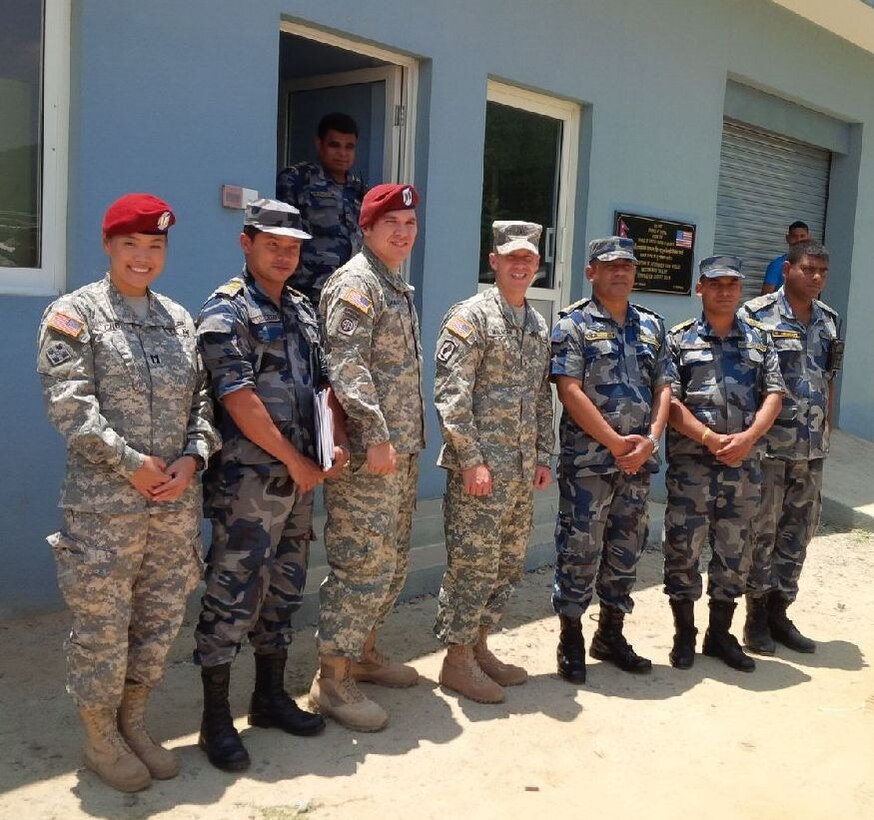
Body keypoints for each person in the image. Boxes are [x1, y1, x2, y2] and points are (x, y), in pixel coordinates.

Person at [37, 193, 220, 792]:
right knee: (103, 627)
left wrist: (194, 458)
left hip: (172, 506)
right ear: (109, 246)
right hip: (104, 510)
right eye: (131, 245)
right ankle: (99, 738)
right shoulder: (75, 315)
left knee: (159, 620)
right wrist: (131, 464)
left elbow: (202, 402)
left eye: (155, 246)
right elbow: (71, 407)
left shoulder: (177, 318)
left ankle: (132, 722)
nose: (143, 257)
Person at [193, 199, 348, 772]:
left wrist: (332, 441)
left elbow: (324, 386)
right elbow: (239, 401)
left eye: (293, 245)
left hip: (300, 477)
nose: (285, 254)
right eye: (273, 243)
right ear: (246, 243)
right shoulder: (224, 312)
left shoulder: (303, 310)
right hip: (248, 483)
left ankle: (269, 697)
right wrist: (296, 460)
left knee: (284, 590)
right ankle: (214, 721)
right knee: (233, 594)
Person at [311, 183, 425, 732]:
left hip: (399, 452)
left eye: (409, 224)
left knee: (390, 560)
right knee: (361, 562)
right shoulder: (357, 283)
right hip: (369, 455)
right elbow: (346, 365)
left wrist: (400, 442)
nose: (402, 233)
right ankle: (331, 679)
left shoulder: (394, 285)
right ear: (367, 229)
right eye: (391, 224)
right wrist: (376, 434)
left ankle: (363, 652)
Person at [432, 221, 554, 703]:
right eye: (512, 257)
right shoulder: (471, 318)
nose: (521, 265)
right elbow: (451, 396)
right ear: (494, 262)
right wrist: (470, 459)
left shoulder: (537, 324)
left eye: (528, 258)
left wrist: (544, 454)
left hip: (521, 470)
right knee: (472, 564)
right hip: (480, 471)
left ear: (537, 265)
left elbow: (542, 398)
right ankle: (456, 659)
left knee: (506, 563)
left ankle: (480, 647)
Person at [549, 237, 672, 684]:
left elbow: (664, 388)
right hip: (590, 463)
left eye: (628, 266)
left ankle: (611, 634)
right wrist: (616, 442)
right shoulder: (573, 325)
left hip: (638, 461)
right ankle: (572, 638)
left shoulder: (652, 327)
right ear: (591, 273)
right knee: (579, 549)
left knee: (626, 548)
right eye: (611, 265)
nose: (621, 273)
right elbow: (569, 390)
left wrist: (650, 440)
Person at [663, 256, 784, 672]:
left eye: (733, 284)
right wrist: (710, 438)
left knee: (735, 552)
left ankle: (720, 635)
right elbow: (670, 403)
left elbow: (774, 395)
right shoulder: (678, 340)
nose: (725, 291)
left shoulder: (759, 340)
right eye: (716, 284)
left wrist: (748, 439)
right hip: (693, 466)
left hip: (743, 467)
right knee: (683, 549)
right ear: (700, 288)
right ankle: (684, 634)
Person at [740, 240, 840, 655]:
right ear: (787, 270)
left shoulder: (829, 321)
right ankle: (756, 618)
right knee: (761, 533)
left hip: (811, 450)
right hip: (767, 449)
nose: (815, 277)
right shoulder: (755, 315)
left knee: (798, 533)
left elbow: (827, 381)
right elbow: (743, 383)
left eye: (821, 271)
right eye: (807, 269)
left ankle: (781, 612)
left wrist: (826, 434)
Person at [276, 112, 368, 305]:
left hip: (350, 295)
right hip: (305, 294)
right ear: (319, 144)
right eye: (335, 145)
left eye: (349, 147)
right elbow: (281, 236)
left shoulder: (360, 190)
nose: (343, 153)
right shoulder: (297, 181)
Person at [760, 220, 810, 295]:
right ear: (787, 238)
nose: (799, 240)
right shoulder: (777, 265)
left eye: (802, 236)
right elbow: (765, 299)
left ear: (808, 238)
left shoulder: (813, 266)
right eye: (794, 236)